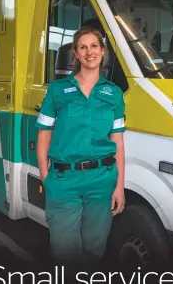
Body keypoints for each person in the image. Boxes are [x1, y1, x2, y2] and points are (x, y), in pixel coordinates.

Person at [36, 26, 126, 270]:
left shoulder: (114, 93)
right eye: (83, 47)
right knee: (64, 251)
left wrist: (119, 186)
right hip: (65, 180)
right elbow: (44, 135)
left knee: (95, 251)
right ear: (75, 53)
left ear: (102, 51)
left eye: (94, 46)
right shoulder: (57, 90)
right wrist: (47, 178)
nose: (89, 52)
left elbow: (117, 142)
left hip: (102, 180)